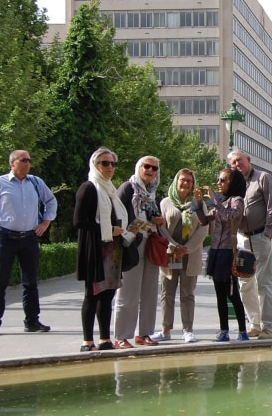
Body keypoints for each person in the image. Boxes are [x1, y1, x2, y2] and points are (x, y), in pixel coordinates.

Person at [0, 149, 57, 337]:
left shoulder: (36, 183)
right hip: (6, 237)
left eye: (29, 160)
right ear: (12, 163)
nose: (27, 163)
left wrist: (46, 222)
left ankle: (32, 321)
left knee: (30, 282)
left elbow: (51, 201)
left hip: (29, 237)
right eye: (23, 160)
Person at [73, 148, 138, 352]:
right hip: (96, 249)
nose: (109, 167)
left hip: (113, 249)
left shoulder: (110, 189)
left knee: (108, 295)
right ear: (95, 165)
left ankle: (104, 338)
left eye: (112, 164)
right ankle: (87, 341)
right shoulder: (89, 187)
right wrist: (109, 229)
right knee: (92, 295)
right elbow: (79, 221)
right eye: (105, 163)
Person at [148, 169, 209, 344]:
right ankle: (165, 329)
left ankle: (188, 330)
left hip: (191, 256)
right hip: (170, 255)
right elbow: (160, 227)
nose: (186, 184)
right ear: (176, 181)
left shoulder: (199, 204)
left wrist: (187, 248)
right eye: (183, 180)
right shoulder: (166, 203)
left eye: (190, 181)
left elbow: (203, 229)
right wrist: (173, 246)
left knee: (187, 294)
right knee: (167, 293)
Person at [112, 156, 165, 348]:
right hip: (131, 244)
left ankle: (144, 333)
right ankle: (121, 336)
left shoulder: (153, 193)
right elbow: (115, 213)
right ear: (139, 167)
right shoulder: (128, 188)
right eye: (146, 166)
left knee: (149, 293)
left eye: (154, 168)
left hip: (149, 242)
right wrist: (127, 230)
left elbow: (154, 216)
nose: (150, 170)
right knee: (128, 292)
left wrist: (159, 220)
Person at [194, 167, 250, 342]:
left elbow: (231, 217)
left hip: (228, 251)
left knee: (232, 294)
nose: (219, 183)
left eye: (223, 180)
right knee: (219, 294)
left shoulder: (237, 200)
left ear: (232, 183)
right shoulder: (222, 201)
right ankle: (224, 330)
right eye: (218, 180)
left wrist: (214, 200)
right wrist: (197, 205)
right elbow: (204, 220)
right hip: (216, 252)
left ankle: (242, 331)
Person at [229, 149, 272, 340]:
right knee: (245, 284)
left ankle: (268, 327)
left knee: (264, 283)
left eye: (239, 160)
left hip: (260, 237)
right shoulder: (235, 184)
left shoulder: (263, 178)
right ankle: (254, 324)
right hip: (242, 239)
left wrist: (267, 234)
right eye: (233, 162)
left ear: (248, 160)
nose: (236, 165)